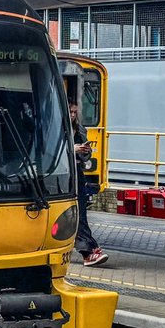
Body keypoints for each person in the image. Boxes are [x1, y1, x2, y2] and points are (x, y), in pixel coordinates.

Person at [69, 101, 108, 267]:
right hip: (64, 173)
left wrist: (84, 151)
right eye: (70, 112)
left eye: (74, 112)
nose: (72, 115)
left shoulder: (80, 129)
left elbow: (86, 155)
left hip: (77, 172)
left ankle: (90, 249)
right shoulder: (53, 126)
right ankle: (90, 250)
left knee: (80, 211)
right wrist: (72, 148)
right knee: (77, 213)